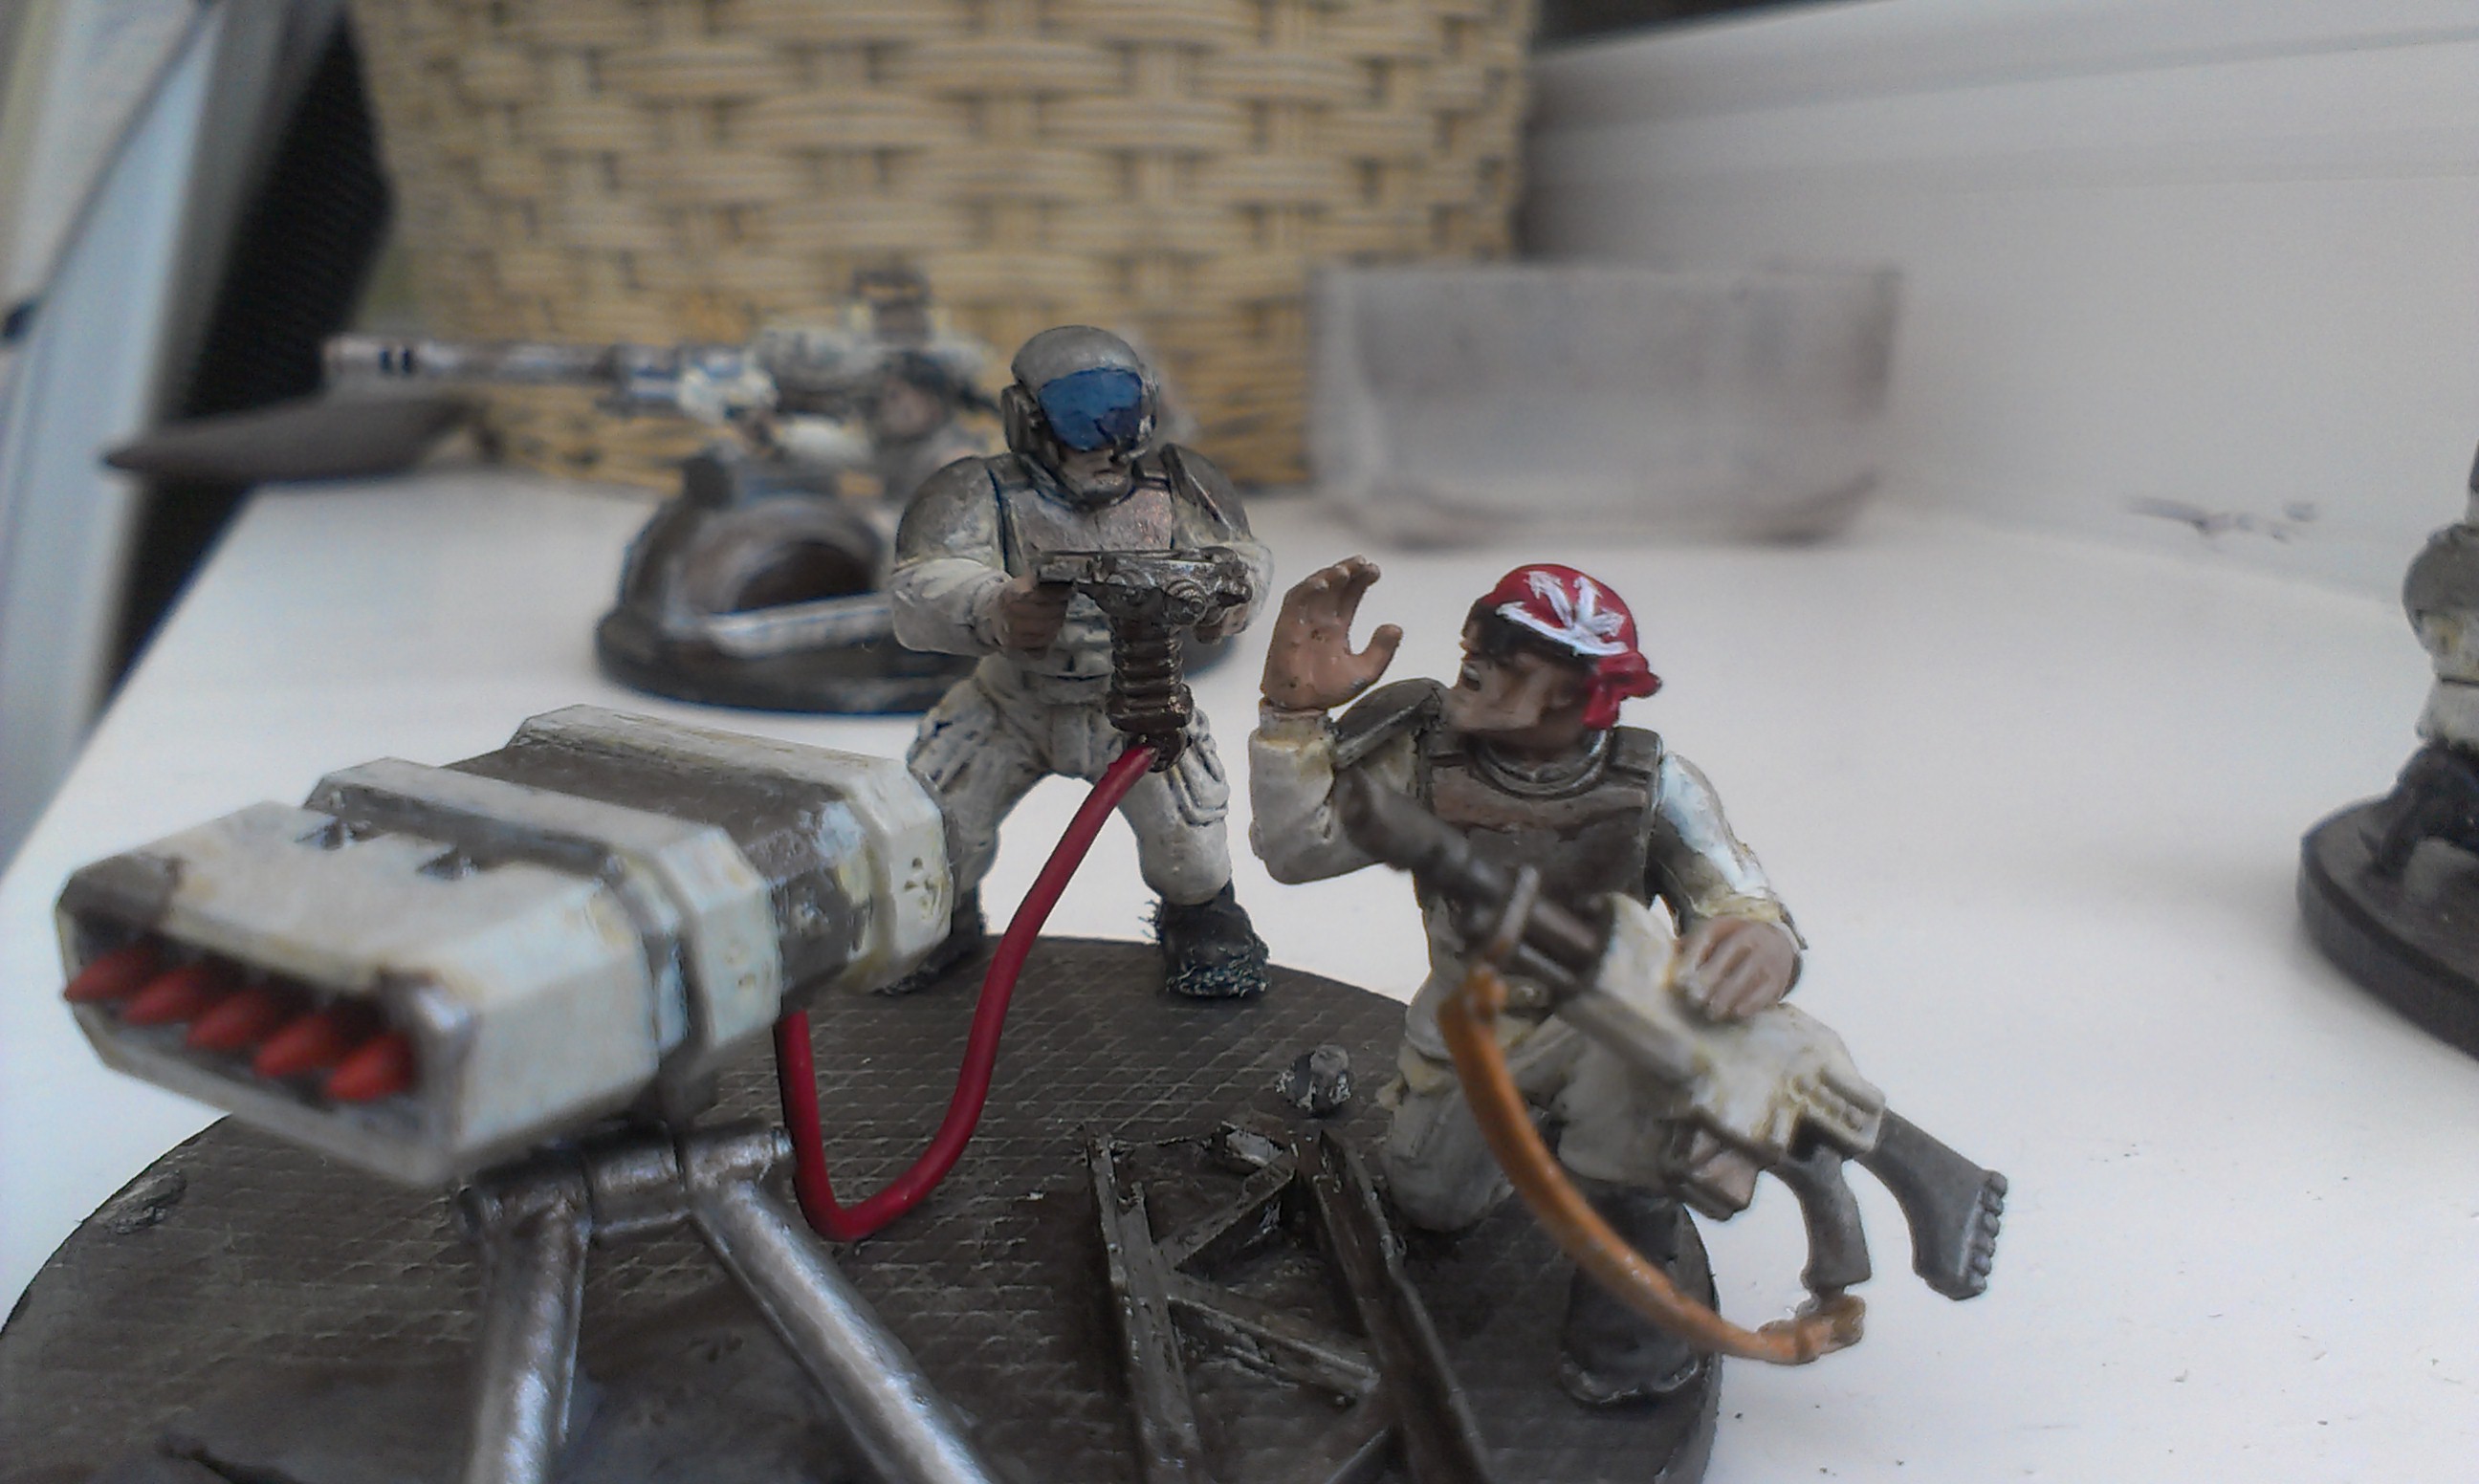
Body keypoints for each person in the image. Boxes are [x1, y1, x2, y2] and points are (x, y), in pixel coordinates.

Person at [1248, 556, 1802, 1404]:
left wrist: (1757, 943)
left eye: (1509, 656)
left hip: (1602, 1024)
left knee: (1635, 1110)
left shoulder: (1657, 785)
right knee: (1432, 1203)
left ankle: (1627, 1336)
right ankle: (1557, 1138)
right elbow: (1296, 852)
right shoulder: (1426, 759)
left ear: (1581, 692)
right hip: (1471, 1031)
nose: (1474, 662)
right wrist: (1293, 719)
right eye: (1479, 643)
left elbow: (1736, 898)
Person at [888, 326, 1272, 998]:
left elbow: (1243, 555)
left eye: (1120, 425)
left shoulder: (1182, 483)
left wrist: (1228, 596)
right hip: (1011, 704)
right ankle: (941, 923)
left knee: (1190, 850)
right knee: (942, 833)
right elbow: (918, 584)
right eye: (1081, 429)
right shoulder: (979, 490)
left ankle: (1202, 921)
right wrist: (992, 605)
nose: (1107, 452)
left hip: (1142, 707)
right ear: (1028, 421)